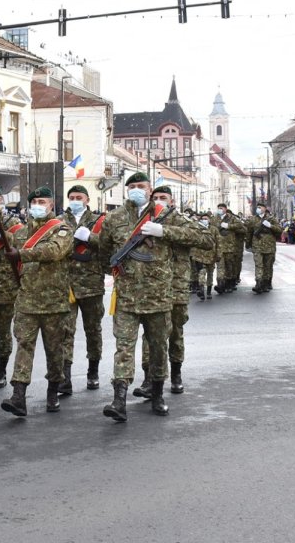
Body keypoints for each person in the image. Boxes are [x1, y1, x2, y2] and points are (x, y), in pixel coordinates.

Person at [97, 172, 205, 422]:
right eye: (131, 186)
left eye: (141, 186)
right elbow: (104, 253)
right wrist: (119, 272)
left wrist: (164, 231)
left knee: (158, 348)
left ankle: (157, 394)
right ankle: (119, 400)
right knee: (123, 348)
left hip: (158, 297)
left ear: (149, 189)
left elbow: (204, 238)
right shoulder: (114, 218)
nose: (136, 190)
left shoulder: (167, 215)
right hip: (126, 297)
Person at [1, 186, 74, 417]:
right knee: (24, 347)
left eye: (43, 202)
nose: (38, 206)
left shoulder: (62, 230)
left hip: (54, 302)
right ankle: (18, 395)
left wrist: (22, 254)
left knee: (54, 351)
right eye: (34, 203)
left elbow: (53, 251)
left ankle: (53, 391)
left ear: (51, 205)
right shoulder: (20, 234)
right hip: (26, 301)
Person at [134, 186, 210, 398]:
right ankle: (149, 379)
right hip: (151, 287)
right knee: (150, 334)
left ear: (171, 200)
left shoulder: (180, 220)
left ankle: (176, 373)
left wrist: (166, 232)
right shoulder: (143, 220)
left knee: (175, 332)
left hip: (176, 285)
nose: (158, 201)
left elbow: (206, 239)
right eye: (155, 198)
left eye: (163, 198)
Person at [56, 184, 106, 395]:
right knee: (64, 332)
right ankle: (65, 378)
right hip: (65, 284)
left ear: (87, 199)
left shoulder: (98, 220)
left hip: (91, 285)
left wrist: (91, 238)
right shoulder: (58, 221)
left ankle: (93, 371)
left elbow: (109, 244)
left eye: (79, 197)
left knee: (93, 330)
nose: (75, 200)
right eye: (72, 197)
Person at [0, 185, 22, 389]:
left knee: (3, 332)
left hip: (5, 288)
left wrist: (4, 236)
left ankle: (1, 370)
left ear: (0, 200)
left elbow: (22, 242)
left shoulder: (11, 222)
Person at [247, 201, 282, 293]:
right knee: (258, 265)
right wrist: (248, 244)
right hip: (257, 246)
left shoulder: (272, 219)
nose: (258, 209)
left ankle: (267, 283)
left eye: (260, 207)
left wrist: (270, 226)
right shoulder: (253, 219)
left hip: (269, 246)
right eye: (257, 207)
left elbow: (279, 230)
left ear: (265, 209)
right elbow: (249, 232)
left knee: (268, 266)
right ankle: (258, 283)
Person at [213, 203, 244, 294]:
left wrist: (229, 226)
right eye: (218, 208)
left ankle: (229, 283)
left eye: (221, 208)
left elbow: (240, 226)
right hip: (219, 247)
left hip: (230, 246)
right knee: (220, 267)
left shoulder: (232, 218)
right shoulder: (215, 219)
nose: (219, 210)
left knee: (229, 266)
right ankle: (220, 285)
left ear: (225, 209)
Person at [190, 211, 219, 301]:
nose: (204, 220)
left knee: (210, 274)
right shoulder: (198, 228)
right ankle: (201, 290)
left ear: (209, 220)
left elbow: (219, 242)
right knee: (201, 273)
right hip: (200, 255)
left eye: (206, 219)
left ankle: (209, 292)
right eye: (202, 219)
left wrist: (218, 254)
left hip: (211, 255)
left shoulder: (214, 229)